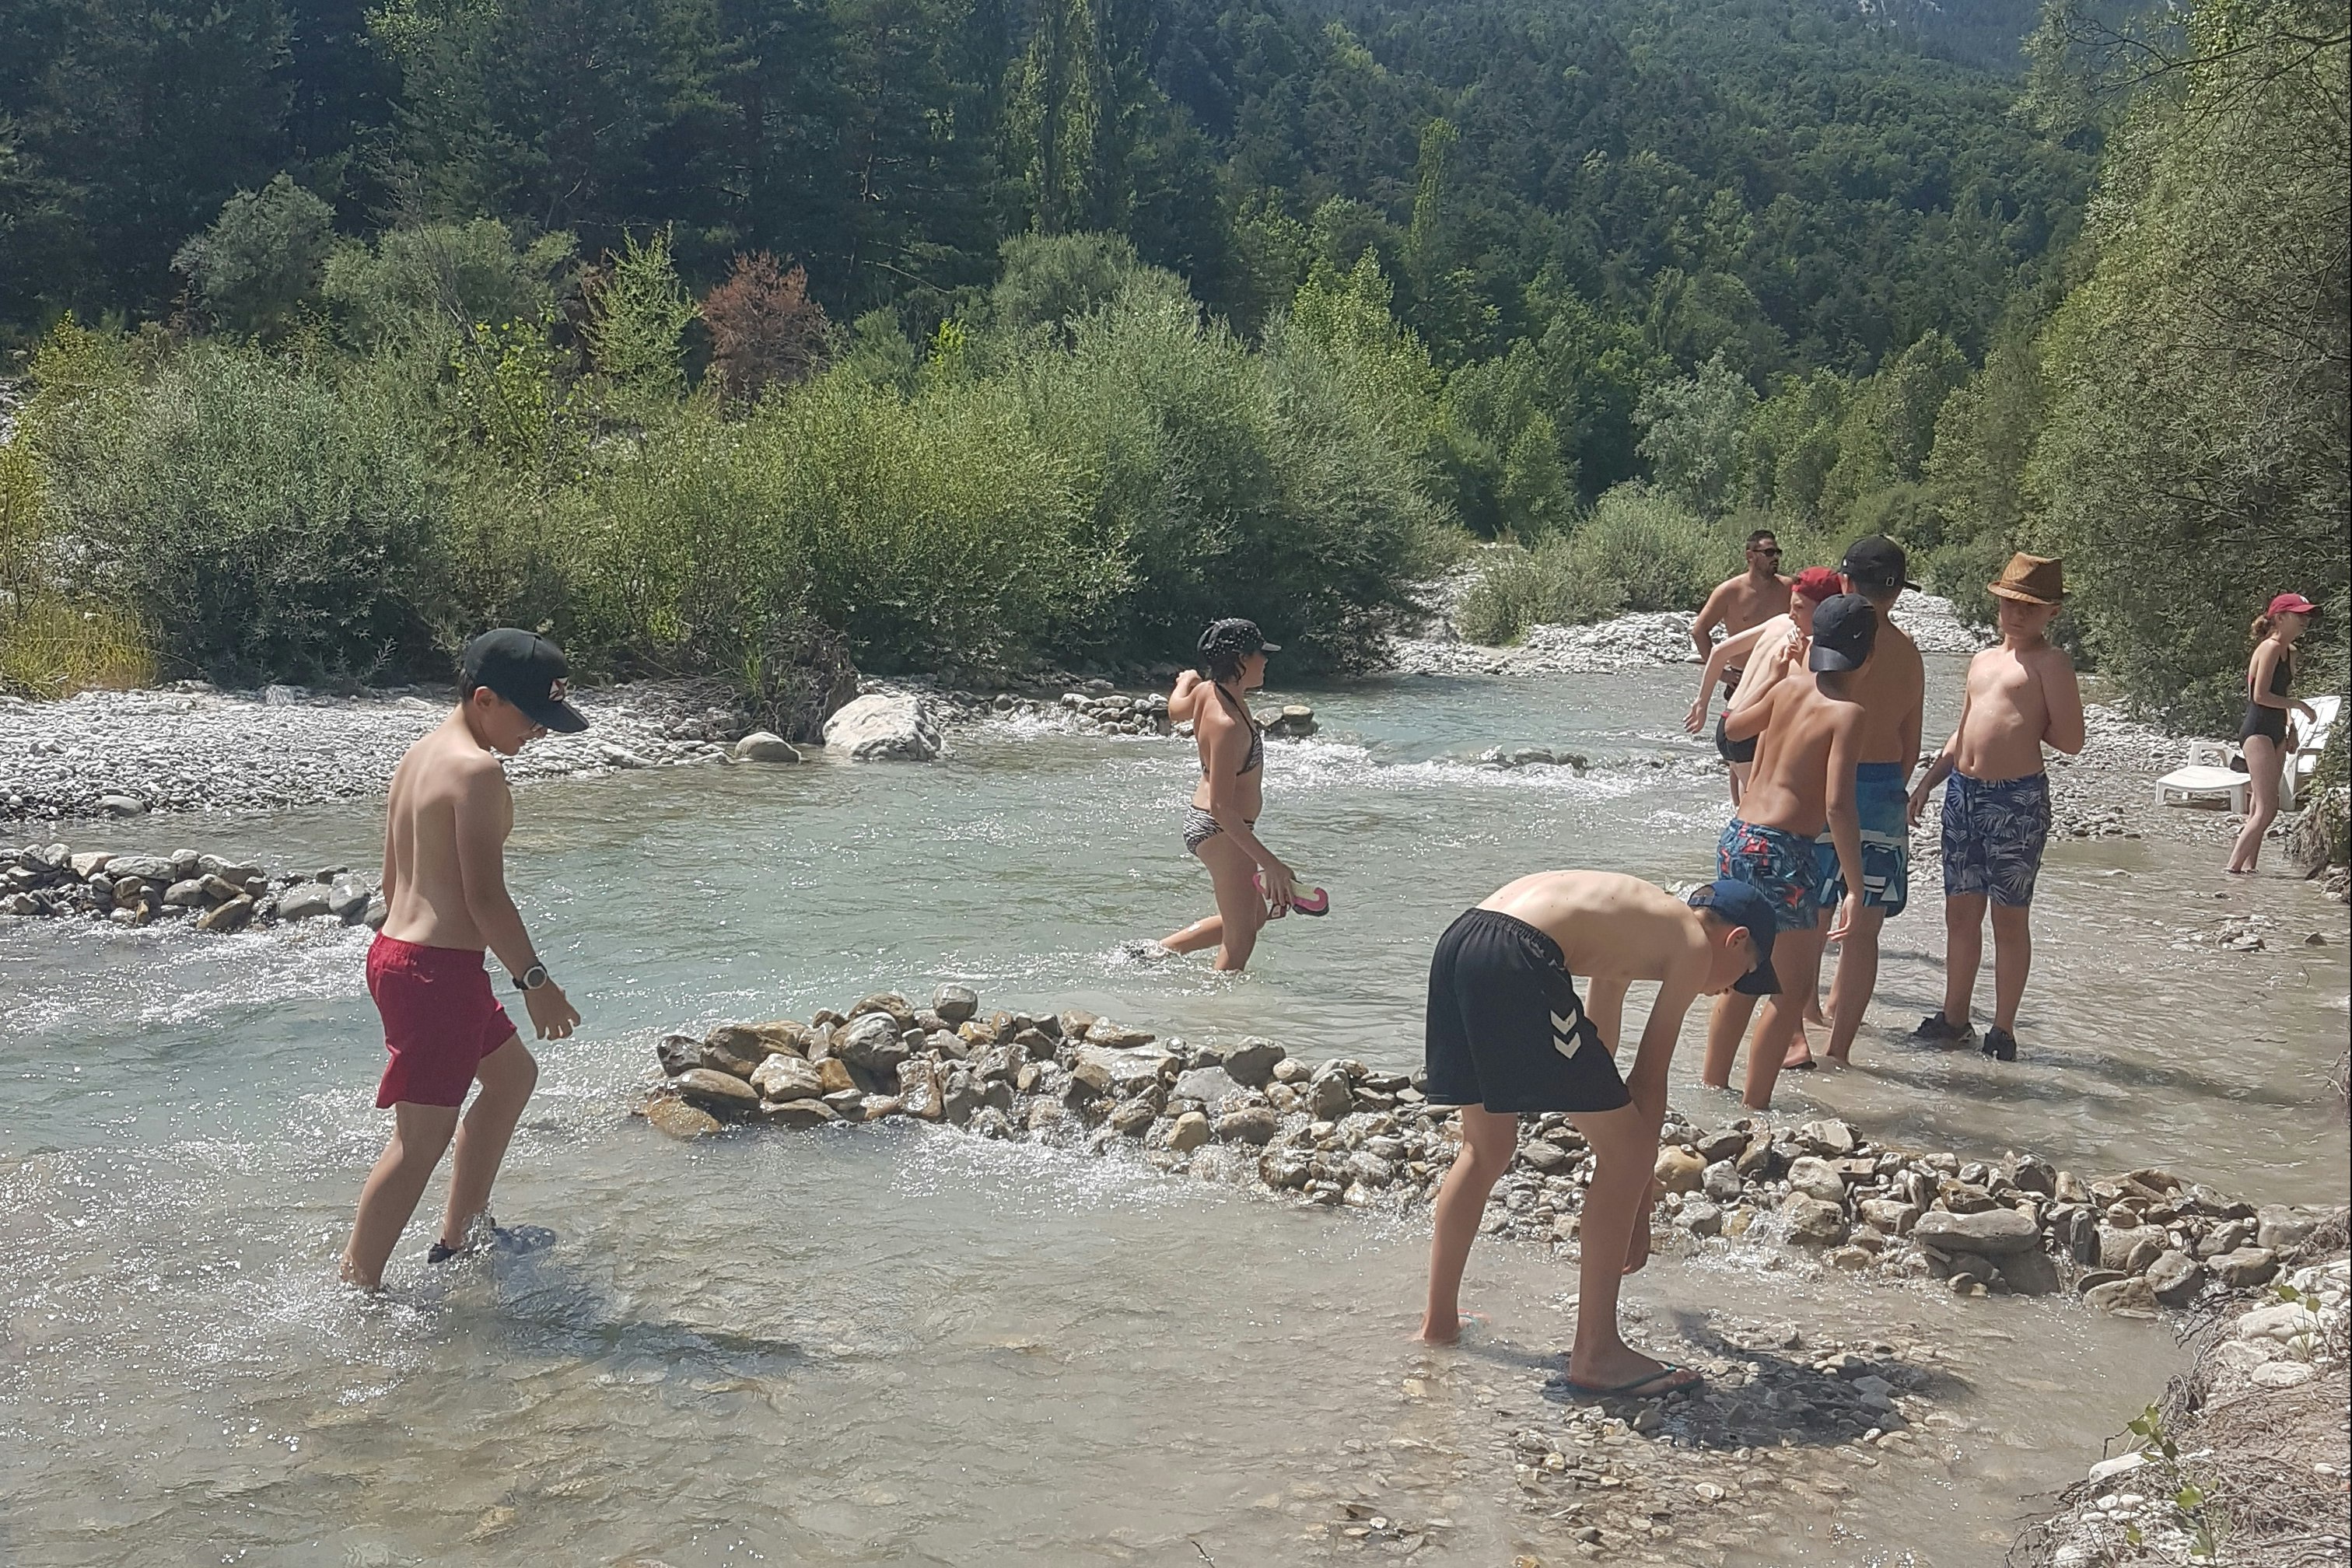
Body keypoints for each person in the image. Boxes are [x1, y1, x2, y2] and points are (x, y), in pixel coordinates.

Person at [1414, 871, 1779, 1398]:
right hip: (1519, 954)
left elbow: (1596, 1053)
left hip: (1462, 941)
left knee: (1487, 1146)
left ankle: (1439, 1323)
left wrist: (1613, 1154)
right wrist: (1636, 1203)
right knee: (1630, 1150)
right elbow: (1647, 1081)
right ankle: (1597, 1353)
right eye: (1742, 976)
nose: (1724, 991)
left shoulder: (1636, 925)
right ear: (1736, 938)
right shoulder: (1694, 946)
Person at [340, 629, 586, 1292]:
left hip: (405, 956)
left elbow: (393, 885)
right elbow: (484, 897)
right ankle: (356, 1291)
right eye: (533, 716)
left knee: (511, 1080)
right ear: (484, 699)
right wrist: (534, 981)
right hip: (434, 974)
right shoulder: (478, 772)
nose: (539, 731)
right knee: (420, 1141)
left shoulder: (420, 755)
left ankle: (462, 1236)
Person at [1909, 555, 2084, 1062]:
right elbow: (1964, 728)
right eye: (2009, 602)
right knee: (1960, 913)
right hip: (1964, 793)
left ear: (2052, 612)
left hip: (2016, 800)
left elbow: (2071, 739)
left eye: (2029, 606)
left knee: (2009, 918)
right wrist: (1929, 780)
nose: (2016, 613)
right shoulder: (1983, 659)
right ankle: (1954, 1017)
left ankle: (2003, 1029)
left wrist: (2026, 725)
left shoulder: (2052, 663)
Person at [1700, 593, 1874, 1109]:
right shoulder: (1849, 713)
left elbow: (1730, 731)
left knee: (1739, 974)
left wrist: (1773, 674)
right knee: (1789, 991)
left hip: (1739, 837)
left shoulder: (1789, 688)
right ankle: (1755, 1108)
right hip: (1784, 849)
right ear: (1867, 656)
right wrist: (1856, 886)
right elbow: (1839, 805)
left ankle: (1711, 1090)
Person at [1808, 537, 1926, 1068]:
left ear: (1846, 584)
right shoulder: (1909, 654)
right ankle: (1840, 1051)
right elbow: (1912, 742)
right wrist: (1889, 792)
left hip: (1823, 781)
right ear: (1898, 590)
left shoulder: (1833, 644)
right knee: (1865, 928)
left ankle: (1800, 1020)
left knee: (1811, 912)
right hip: (1880, 788)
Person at [1158, 619, 1300, 970]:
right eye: (1260, 655)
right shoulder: (1227, 725)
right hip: (1219, 828)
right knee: (1241, 941)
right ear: (1240, 659)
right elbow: (1222, 806)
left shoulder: (1209, 691)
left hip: (1216, 824)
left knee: (1254, 918)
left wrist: (1185, 681)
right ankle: (1219, 1018)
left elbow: (1176, 711)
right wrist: (1272, 864)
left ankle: (1155, 953)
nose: (1265, 661)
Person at [1689, 530, 1796, 805]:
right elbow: (1700, 630)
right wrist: (1723, 674)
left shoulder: (1788, 589)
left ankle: (1749, 804)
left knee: (1766, 746)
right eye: (1769, 553)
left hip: (1777, 680)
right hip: (1740, 680)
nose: (1776, 558)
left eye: (1778, 553)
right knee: (1739, 740)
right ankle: (1740, 805)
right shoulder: (1730, 591)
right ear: (1751, 556)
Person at [2227, 592, 2321, 874]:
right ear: (2280, 618)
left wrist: (2292, 727)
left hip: (2277, 729)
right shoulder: (2268, 648)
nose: (2305, 620)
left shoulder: (2290, 652)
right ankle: (2231, 871)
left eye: (2307, 615)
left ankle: (2250, 870)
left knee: (2259, 804)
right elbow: (2260, 695)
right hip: (2257, 731)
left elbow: (2283, 693)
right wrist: (2299, 705)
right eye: (2299, 615)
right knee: (2269, 809)